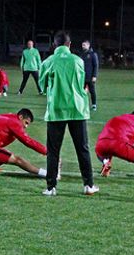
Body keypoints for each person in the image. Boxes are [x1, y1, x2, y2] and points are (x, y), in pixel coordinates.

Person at [39, 31, 98, 196]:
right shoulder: (78, 60)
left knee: (53, 151)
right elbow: (81, 84)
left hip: (56, 110)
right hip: (77, 109)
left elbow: (42, 86)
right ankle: (88, 185)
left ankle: (51, 187)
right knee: (83, 149)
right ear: (69, 44)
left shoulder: (48, 61)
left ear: (54, 45)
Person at [80, 40, 99, 111]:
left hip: (90, 77)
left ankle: (94, 105)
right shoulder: (82, 54)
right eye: (82, 45)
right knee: (81, 91)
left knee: (92, 91)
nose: (83, 46)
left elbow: (96, 65)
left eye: (84, 45)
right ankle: (82, 104)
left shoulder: (92, 54)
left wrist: (94, 76)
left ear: (88, 45)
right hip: (82, 77)